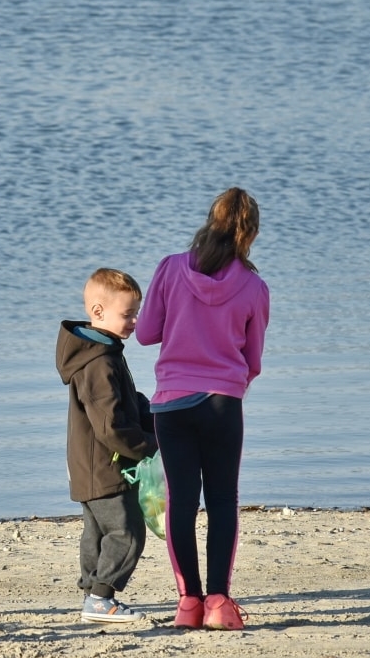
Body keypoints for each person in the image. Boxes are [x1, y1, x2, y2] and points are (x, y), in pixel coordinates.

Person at [136, 187, 269, 631]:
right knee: (223, 501)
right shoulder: (254, 286)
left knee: (181, 502)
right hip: (222, 405)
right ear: (249, 233)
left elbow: (146, 333)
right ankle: (219, 603)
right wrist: (229, 383)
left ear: (210, 221)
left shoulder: (171, 268)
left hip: (171, 404)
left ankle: (188, 603)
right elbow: (253, 362)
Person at [56, 268, 157, 624]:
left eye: (136, 312)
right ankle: (101, 598)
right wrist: (149, 445)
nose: (134, 321)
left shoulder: (102, 351)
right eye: (127, 314)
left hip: (86, 467)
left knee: (97, 532)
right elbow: (110, 426)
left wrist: (147, 410)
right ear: (98, 312)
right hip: (105, 466)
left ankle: (91, 594)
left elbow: (120, 402)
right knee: (127, 532)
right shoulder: (99, 362)